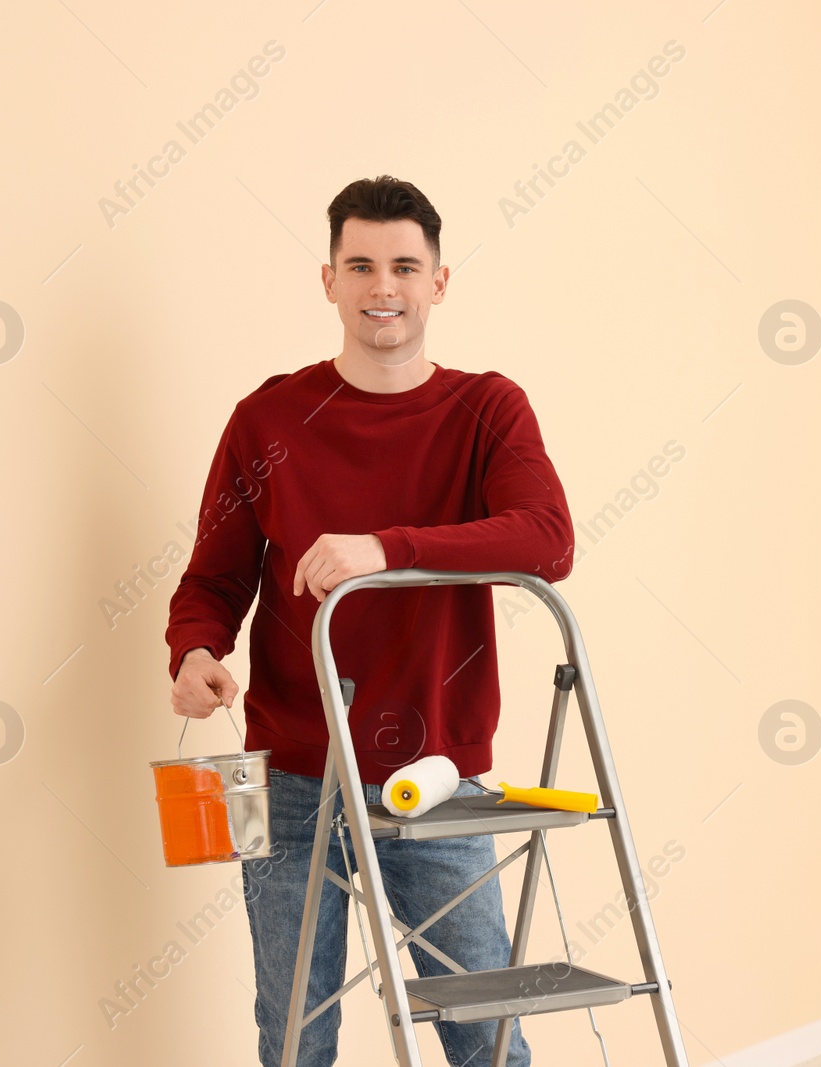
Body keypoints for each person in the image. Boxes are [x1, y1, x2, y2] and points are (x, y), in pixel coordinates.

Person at [164, 174, 574, 1067]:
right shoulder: (268, 417)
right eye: (360, 265)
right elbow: (214, 577)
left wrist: (384, 547)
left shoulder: (485, 409)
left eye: (401, 265)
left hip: (433, 777)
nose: (381, 286)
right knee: (294, 1034)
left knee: (484, 1034)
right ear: (329, 280)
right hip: (291, 777)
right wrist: (195, 650)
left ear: (438, 281)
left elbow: (547, 541)